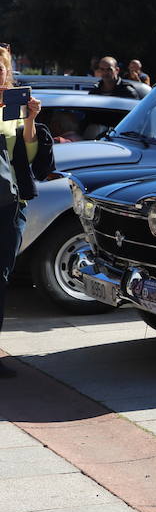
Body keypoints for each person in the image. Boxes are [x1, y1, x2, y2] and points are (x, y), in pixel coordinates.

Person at [0, 42, 54, 376]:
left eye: (1, 68)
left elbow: (33, 160)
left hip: (8, 207)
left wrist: (31, 120)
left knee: (0, 277)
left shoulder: (17, 107)